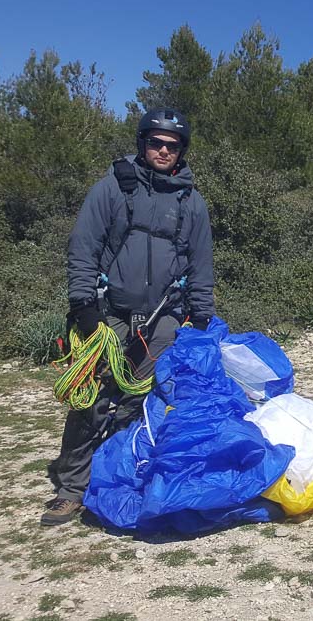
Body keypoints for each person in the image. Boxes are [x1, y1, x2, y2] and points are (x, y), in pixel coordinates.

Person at [42, 108, 216, 526]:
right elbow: (83, 248)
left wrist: (201, 315)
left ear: (182, 152)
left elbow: (201, 263)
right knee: (93, 400)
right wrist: (83, 306)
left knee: (141, 402)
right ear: (142, 144)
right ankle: (72, 488)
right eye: (156, 143)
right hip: (110, 315)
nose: (163, 151)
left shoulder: (191, 202)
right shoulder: (112, 188)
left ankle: (115, 477)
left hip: (164, 317)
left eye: (172, 146)